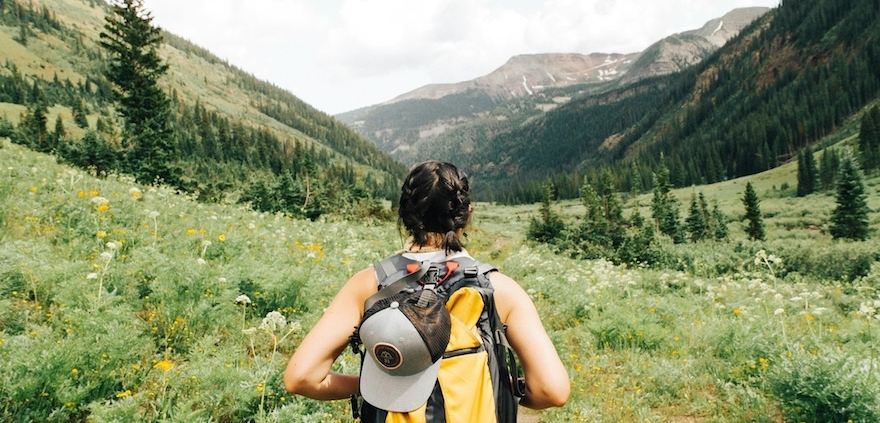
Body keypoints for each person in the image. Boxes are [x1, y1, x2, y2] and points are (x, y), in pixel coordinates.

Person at [284, 160, 569, 417]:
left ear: (405, 215)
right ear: (466, 214)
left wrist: (370, 386)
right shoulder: (500, 289)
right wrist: (502, 387)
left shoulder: (369, 284)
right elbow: (551, 391)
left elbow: (302, 378)